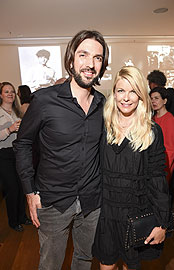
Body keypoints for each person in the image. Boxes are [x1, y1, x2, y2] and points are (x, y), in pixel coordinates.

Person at [13, 30, 109, 269]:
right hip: (53, 201)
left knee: (84, 258)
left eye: (97, 57)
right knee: (51, 264)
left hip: (91, 201)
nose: (90, 63)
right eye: (83, 55)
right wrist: (29, 191)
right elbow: (23, 143)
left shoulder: (102, 104)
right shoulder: (45, 101)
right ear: (70, 60)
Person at [92, 66, 171, 270]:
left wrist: (162, 223)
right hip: (106, 214)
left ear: (141, 96)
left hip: (136, 213)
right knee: (106, 265)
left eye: (133, 91)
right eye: (121, 91)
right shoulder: (103, 125)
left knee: (131, 266)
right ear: (114, 94)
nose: (126, 98)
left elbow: (157, 179)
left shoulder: (152, 131)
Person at [0, 82, 32, 231]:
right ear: (0, 95)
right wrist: (9, 130)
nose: (10, 94)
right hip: (4, 155)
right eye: (6, 92)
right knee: (12, 189)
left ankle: (22, 217)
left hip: (17, 153)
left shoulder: (16, 112)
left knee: (20, 187)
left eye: (12, 91)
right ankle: (13, 221)